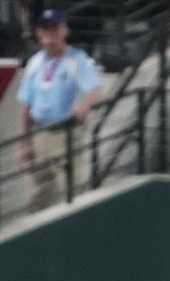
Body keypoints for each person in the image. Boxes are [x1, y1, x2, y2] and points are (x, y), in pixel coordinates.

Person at [16, 8, 101, 209]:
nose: (49, 34)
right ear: (38, 33)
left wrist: (84, 104)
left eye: (54, 29)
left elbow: (94, 90)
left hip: (66, 135)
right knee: (43, 190)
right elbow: (25, 104)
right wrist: (25, 142)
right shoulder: (35, 62)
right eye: (45, 30)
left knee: (72, 191)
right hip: (40, 135)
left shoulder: (76, 59)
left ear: (64, 31)